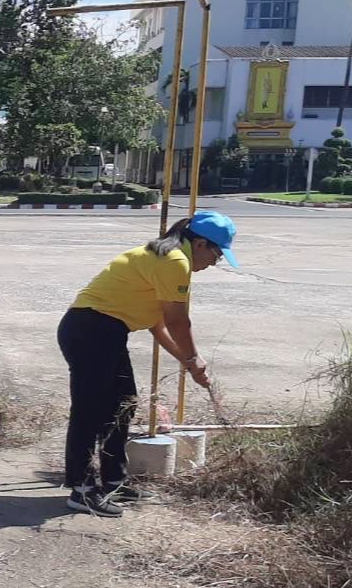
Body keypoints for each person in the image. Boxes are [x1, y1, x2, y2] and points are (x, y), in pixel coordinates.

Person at [57, 209, 239, 517]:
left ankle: (114, 479)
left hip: (105, 332)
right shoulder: (174, 262)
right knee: (90, 411)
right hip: (91, 330)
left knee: (123, 404)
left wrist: (189, 363)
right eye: (217, 255)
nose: (213, 263)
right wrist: (193, 359)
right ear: (200, 245)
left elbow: (158, 325)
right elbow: (178, 321)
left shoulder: (166, 256)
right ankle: (82, 489)